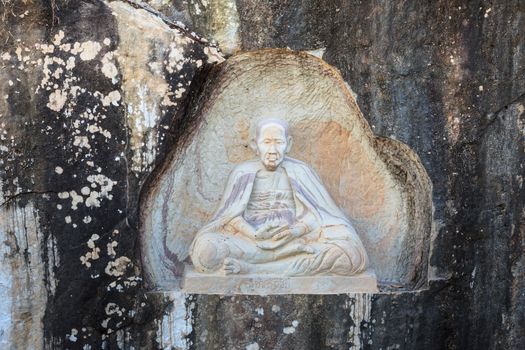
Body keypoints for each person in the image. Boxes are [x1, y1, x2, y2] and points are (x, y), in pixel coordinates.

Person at [189, 118, 369, 276]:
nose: (273, 149)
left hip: (296, 240)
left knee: (351, 255)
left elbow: (319, 215)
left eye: (279, 142)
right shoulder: (243, 173)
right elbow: (229, 216)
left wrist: (294, 232)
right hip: (251, 243)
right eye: (266, 142)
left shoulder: (300, 172)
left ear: (288, 144)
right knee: (205, 252)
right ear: (254, 144)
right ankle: (281, 258)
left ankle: (254, 269)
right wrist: (255, 235)